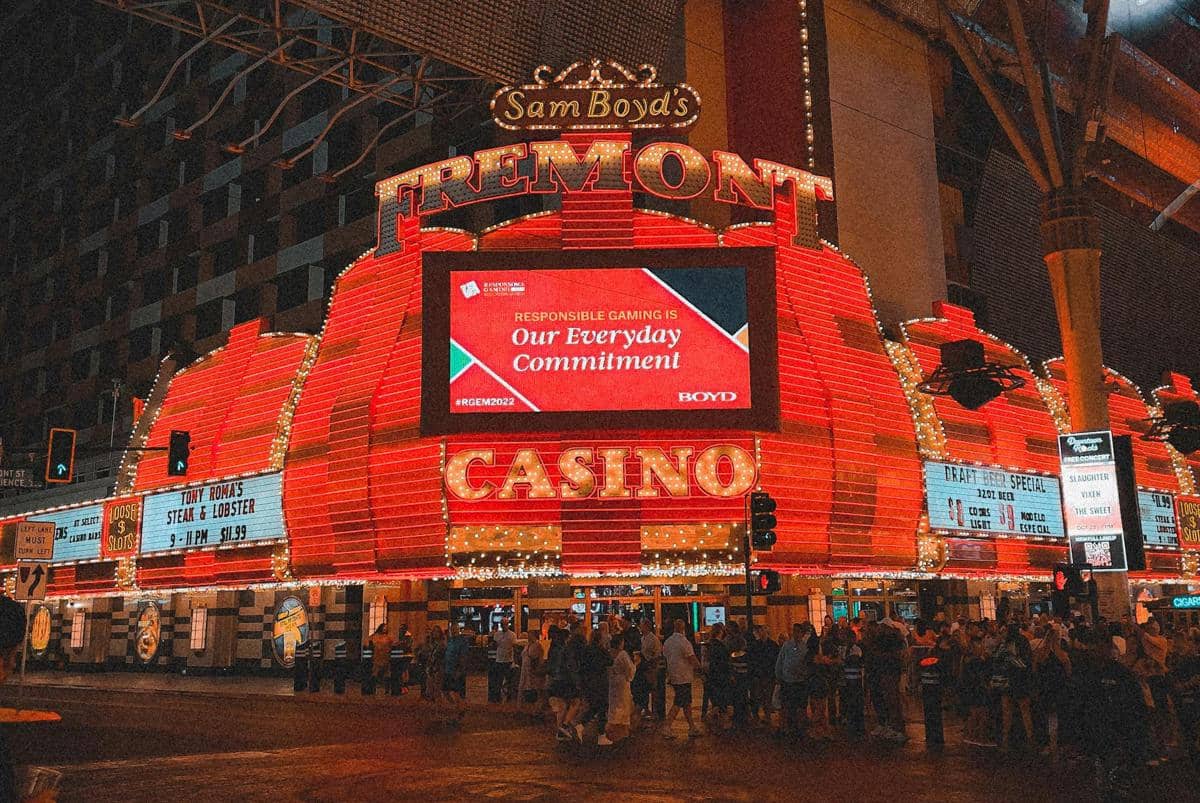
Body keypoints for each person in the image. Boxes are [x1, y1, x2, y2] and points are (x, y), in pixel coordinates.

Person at [662, 619, 701, 738]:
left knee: (686, 702)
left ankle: (692, 726)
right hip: (684, 676)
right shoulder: (684, 642)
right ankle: (667, 726)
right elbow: (691, 658)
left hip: (674, 675)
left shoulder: (668, 642)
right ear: (683, 628)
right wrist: (700, 668)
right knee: (679, 701)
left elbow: (665, 655)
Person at [599, 634, 636, 746]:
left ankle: (615, 730)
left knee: (614, 705)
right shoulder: (622, 654)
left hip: (612, 681)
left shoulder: (609, 653)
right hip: (622, 682)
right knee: (624, 705)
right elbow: (630, 669)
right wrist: (636, 664)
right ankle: (622, 731)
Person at [775, 623, 811, 738]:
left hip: (800, 681)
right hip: (788, 680)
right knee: (788, 705)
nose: (796, 634)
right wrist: (779, 675)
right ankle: (789, 727)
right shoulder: (787, 645)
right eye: (794, 631)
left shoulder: (805, 646)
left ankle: (799, 728)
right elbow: (780, 660)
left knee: (800, 705)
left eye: (798, 632)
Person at [442, 624, 471, 722]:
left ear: (459, 630)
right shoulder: (450, 640)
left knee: (457, 692)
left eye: (455, 629)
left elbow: (463, 657)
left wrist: (459, 670)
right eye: (452, 629)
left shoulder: (462, 641)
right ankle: (457, 707)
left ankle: (459, 711)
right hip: (448, 669)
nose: (453, 631)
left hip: (456, 670)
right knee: (446, 690)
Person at [518, 628, 547, 717]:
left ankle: (536, 710)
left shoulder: (536, 646)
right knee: (525, 688)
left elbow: (536, 659)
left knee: (534, 690)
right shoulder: (528, 645)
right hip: (526, 670)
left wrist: (534, 670)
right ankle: (523, 709)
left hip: (531, 671)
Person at [493, 618, 518, 704]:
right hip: (499, 659)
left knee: (509, 680)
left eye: (505, 624)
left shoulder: (512, 635)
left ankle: (509, 696)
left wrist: (514, 661)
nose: (504, 626)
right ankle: (498, 696)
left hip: (508, 660)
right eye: (502, 624)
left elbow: (514, 647)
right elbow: (495, 645)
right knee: (498, 680)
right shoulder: (497, 634)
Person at [366, 623, 394, 691]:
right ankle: (373, 688)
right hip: (377, 657)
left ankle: (386, 689)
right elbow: (369, 644)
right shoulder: (375, 637)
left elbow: (392, 645)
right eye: (384, 627)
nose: (385, 629)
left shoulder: (388, 637)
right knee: (375, 672)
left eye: (386, 628)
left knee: (386, 674)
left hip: (386, 657)